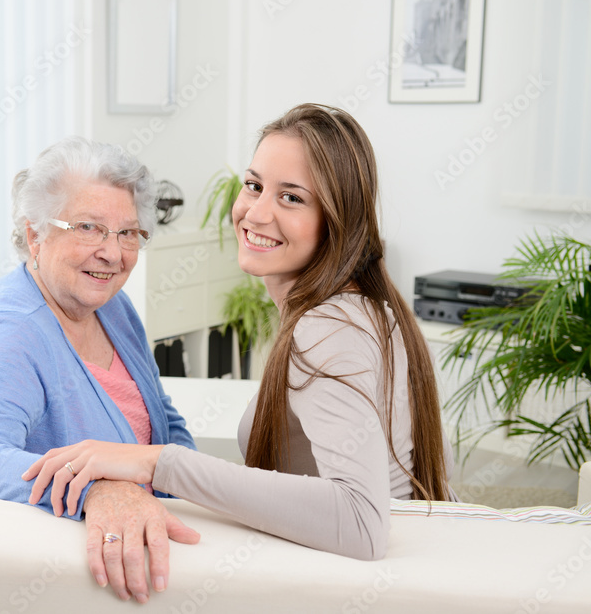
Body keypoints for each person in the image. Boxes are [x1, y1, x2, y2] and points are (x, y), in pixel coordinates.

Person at [25, 103, 459, 596]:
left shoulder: (328, 327)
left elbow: (362, 523)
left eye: (291, 197)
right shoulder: (368, 308)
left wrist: (154, 462)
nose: (256, 212)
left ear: (338, 220)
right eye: (254, 186)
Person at [0, 135, 199, 604]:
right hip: (61, 579)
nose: (113, 253)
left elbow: (163, 419)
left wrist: (195, 491)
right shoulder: (8, 333)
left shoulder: (111, 307)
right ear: (35, 235)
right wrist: (96, 489)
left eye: (128, 233)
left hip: (151, 543)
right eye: (89, 228)